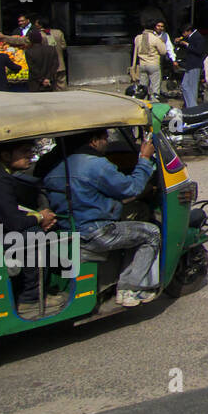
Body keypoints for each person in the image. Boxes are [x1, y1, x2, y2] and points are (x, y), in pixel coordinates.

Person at [42, 129, 161, 307]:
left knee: (134, 219)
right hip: (96, 233)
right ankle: (131, 289)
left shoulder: (56, 167)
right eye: (105, 138)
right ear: (94, 141)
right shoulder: (96, 165)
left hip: (68, 231)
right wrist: (144, 159)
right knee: (151, 233)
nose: (107, 142)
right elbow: (132, 188)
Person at [0, 140, 68, 315]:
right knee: (35, 236)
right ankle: (30, 299)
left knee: (39, 229)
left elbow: (10, 213)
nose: (31, 154)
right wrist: (39, 217)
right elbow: (13, 222)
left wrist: (38, 216)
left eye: (32, 150)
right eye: (24, 151)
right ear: (6, 155)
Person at [132, 21, 170, 99]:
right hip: (153, 64)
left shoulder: (138, 38)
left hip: (142, 64)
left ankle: (144, 105)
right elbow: (163, 51)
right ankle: (154, 104)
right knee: (155, 89)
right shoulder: (155, 38)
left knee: (143, 88)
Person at [174, 24, 207, 108]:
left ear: (188, 31)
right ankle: (190, 104)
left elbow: (199, 50)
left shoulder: (198, 37)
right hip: (189, 65)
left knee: (192, 86)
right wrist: (179, 42)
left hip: (195, 64)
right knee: (185, 85)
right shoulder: (191, 37)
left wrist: (187, 45)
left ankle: (193, 106)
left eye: (184, 33)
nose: (183, 35)